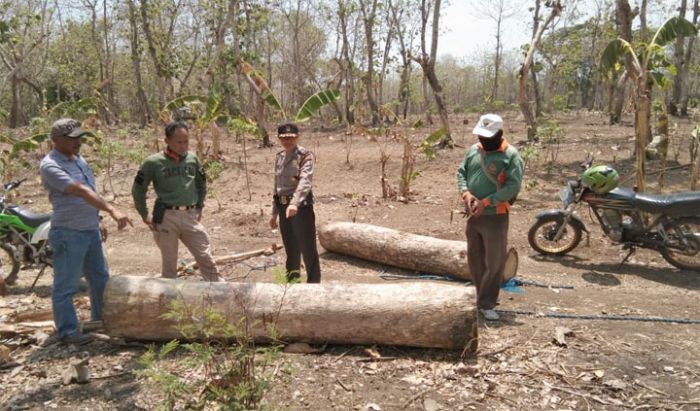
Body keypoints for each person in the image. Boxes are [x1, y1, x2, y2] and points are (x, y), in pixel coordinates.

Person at [40, 118, 133, 345]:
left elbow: (89, 190)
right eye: (72, 138)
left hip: (89, 229)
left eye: (79, 137)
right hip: (69, 232)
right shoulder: (50, 165)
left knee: (99, 278)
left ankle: (101, 321)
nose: (78, 141)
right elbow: (79, 190)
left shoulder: (78, 159)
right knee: (66, 285)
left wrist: (98, 217)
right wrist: (111, 209)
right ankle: (68, 332)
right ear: (56, 141)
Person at [131, 121, 223, 282]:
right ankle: (171, 302)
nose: (183, 146)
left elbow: (201, 183)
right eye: (178, 142)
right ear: (166, 141)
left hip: (189, 215)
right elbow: (138, 189)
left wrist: (200, 206)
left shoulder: (192, 158)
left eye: (186, 141)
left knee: (205, 257)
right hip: (166, 216)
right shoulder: (153, 162)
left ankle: (220, 294)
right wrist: (144, 214)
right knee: (169, 264)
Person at [456, 114, 523, 321]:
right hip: (473, 215)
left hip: (495, 217)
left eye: (487, 136)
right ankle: (478, 296)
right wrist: (466, 194)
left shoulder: (511, 156)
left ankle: (486, 303)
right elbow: (461, 173)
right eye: (481, 136)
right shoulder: (473, 151)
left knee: (494, 263)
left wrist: (486, 202)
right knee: (475, 259)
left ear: (499, 134)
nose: (483, 140)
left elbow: (513, 187)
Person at [268, 123, 321, 283]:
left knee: (308, 249)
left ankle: (313, 285)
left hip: (301, 208)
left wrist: (294, 204)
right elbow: (277, 187)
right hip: (284, 207)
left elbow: (305, 181)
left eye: (291, 137)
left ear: (297, 137)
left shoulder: (305, 155)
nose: (287, 141)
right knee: (291, 249)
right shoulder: (280, 156)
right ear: (279, 139)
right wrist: (274, 213)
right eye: (283, 138)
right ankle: (292, 285)